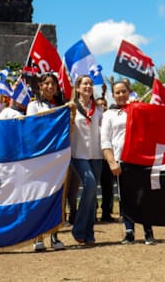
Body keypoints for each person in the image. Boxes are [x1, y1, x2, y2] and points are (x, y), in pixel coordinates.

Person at [102, 79, 156, 245]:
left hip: (140, 159)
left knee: (143, 196)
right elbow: (105, 140)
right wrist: (112, 162)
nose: (121, 95)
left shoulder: (138, 109)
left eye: (123, 91)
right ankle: (129, 231)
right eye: (117, 92)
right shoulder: (109, 114)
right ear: (113, 95)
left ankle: (148, 231)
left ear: (129, 92)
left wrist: (139, 107)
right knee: (125, 197)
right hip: (121, 160)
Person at [23, 72, 66, 252]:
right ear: (40, 86)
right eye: (46, 83)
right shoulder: (33, 105)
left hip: (58, 157)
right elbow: (31, 128)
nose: (50, 87)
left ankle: (55, 236)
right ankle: (38, 237)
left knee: (56, 196)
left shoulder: (62, 106)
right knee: (39, 196)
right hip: (39, 157)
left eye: (53, 84)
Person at [70, 75, 103, 246]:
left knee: (91, 193)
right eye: (85, 84)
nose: (88, 86)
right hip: (78, 154)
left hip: (97, 155)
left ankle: (89, 233)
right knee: (89, 185)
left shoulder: (99, 109)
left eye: (90, 84)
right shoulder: (71, 107)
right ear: (77, 88)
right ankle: (78, 228)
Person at [96, 96, 115, 223]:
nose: (102, 107)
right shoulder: (92, 122)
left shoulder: (111, 121)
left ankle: (107, 213)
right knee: (92, 187)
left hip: (107, 159)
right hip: (95, 158)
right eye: (99, 105)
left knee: (108, 187)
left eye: (104, 104)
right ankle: (92, 212)